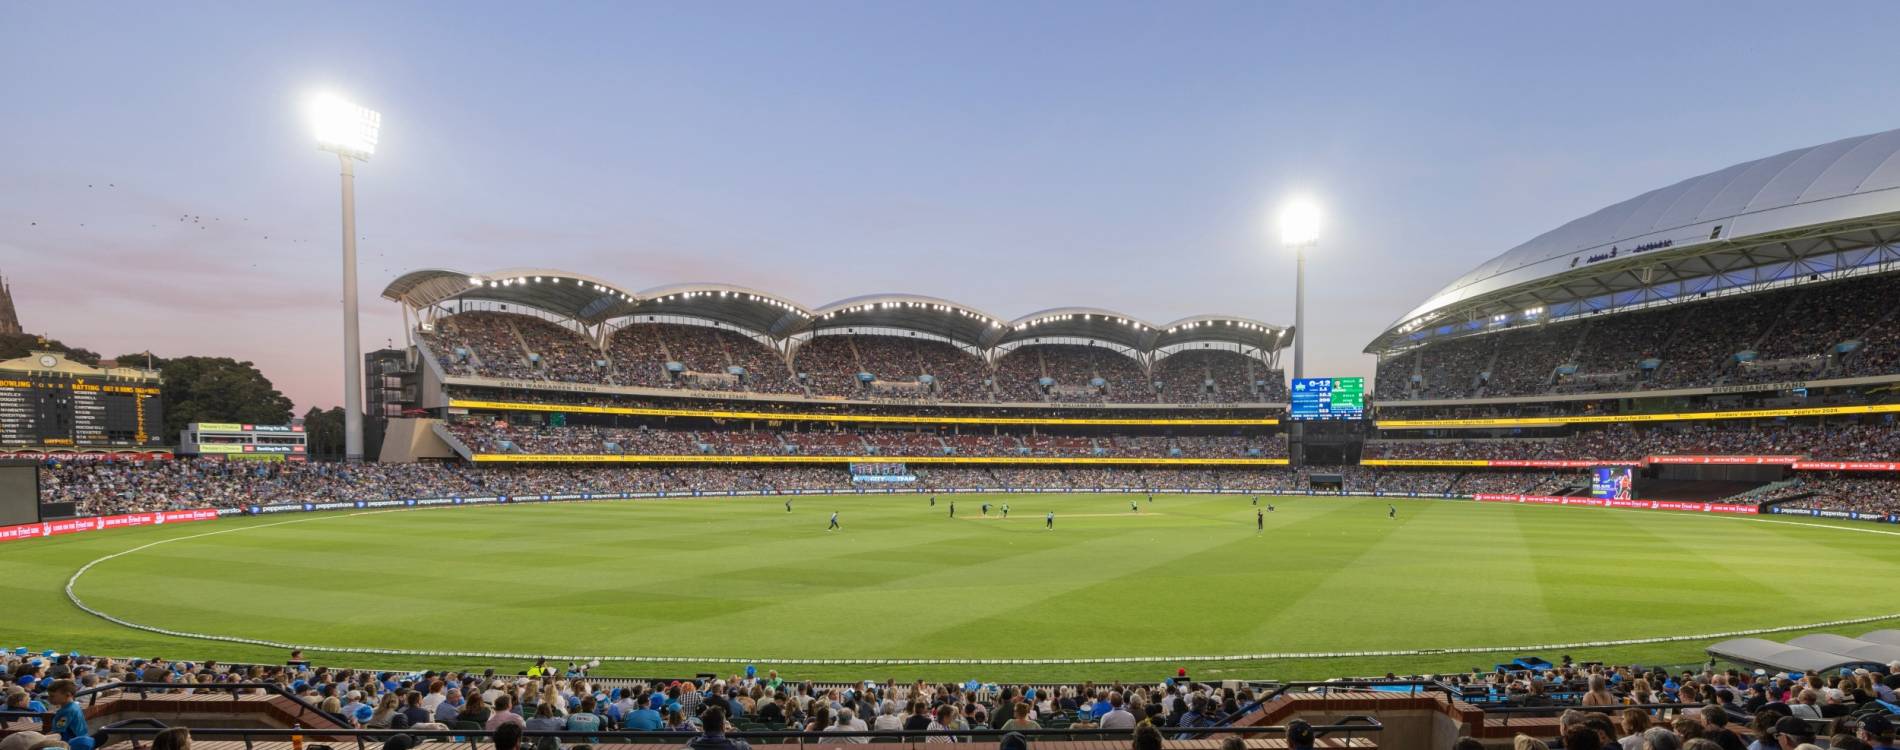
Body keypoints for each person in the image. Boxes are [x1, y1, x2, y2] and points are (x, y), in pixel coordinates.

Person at [43, 679, 89, 750]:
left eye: (52, 696)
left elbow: (57, 733)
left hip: (72, 744)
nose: (49, 699)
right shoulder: (74, 705)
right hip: (81, 740)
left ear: (68, 695)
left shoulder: (67, 711)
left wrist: (41, 739)